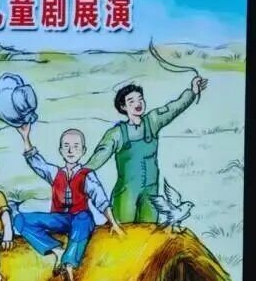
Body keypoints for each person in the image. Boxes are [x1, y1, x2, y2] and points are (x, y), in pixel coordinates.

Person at [14, 123, 124, 281]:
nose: (71, 150)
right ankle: (57, 251)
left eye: (76, 147)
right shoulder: (54, 172)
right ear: (60, 150)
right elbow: (37, 163)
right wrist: (25, 137)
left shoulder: (87, 174)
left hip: (80, 217)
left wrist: (113, 223)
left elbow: (100, 199)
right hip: (59, 218)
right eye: (66, 146)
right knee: (20, 220)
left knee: (83, 220)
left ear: (83, 151)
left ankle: (69, 266)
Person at [84, 77, 208, 223]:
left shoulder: (153, 121)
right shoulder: (117, 133)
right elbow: (100, 155)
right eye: (131, 101)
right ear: (123, 107)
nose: (138, 103)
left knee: (149, 229)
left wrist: (192, 92)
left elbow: (173, 108)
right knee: (124, 230)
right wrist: (80, 174)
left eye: (140, 99)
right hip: (126, 194)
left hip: (151, 193)